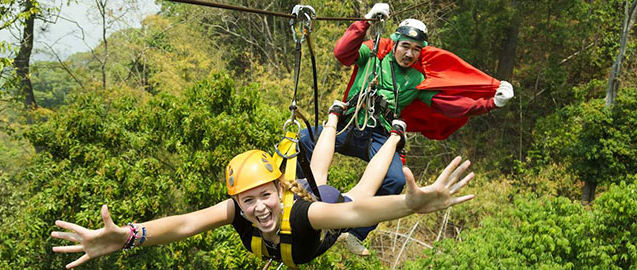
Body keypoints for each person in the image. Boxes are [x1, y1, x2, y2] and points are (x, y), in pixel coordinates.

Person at [50, 105, 476, 268]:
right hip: (307, 196)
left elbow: (353, 214)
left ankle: (397, 135)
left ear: (279, 189)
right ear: (237, 200)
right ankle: (332, 117)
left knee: (358, 190)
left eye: (265, 196)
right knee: (321, 176)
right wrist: (126, 237)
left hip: (321, 212)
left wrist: (408, 204)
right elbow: (183, 224)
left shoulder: (304, 213)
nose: (258, 209)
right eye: (247, 200)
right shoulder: (239, 210)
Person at [298, 3, 514, 255]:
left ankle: (354, 232)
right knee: (303, 140)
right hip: (351, 123)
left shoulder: (417, 80)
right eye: (405, 46)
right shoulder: (372, 53)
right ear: (396, 43)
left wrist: (490, 102)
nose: (410, 54)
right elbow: (342, 53)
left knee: (395, 179)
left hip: (379, 135)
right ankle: (300, 197)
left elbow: (451, 106)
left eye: (416, 50)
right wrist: (365, 21)